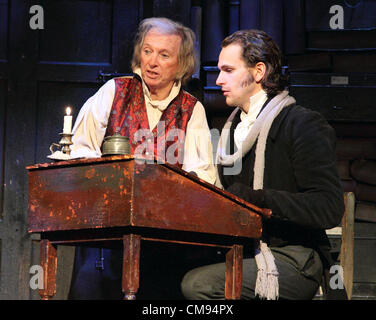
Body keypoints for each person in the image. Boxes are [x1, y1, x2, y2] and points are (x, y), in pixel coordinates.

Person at [181, 29, 346, 300]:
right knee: (166, 269)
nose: (219, 79)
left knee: (199, 285)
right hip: (241, 251)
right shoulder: (228, 132)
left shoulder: (301, 124)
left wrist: (258, 200)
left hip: (292, 257)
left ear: (258, 72)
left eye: (228, 70)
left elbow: (328, 207)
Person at [67, 17, 216, 299]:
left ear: (181, 65)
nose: (152, 62)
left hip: (162, 243)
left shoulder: (190, 110)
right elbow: (79, 149)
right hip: (105, 238)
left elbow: (204, 177)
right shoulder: (115, 91)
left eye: (164, 55)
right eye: (148, 51)